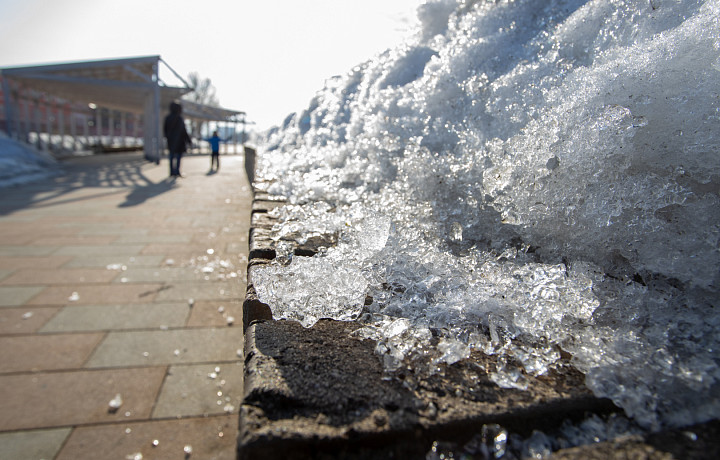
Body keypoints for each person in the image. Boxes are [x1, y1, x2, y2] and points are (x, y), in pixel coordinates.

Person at [163, 101, 192, 177]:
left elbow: (165, 130)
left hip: (171, 141)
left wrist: (168, 137)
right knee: (178, 157)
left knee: (171, 157)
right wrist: (189, 141)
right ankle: (177, 171)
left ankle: (171, 172)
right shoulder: (179, 119)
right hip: (179, 142)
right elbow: (184, 131)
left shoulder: (168, 118)